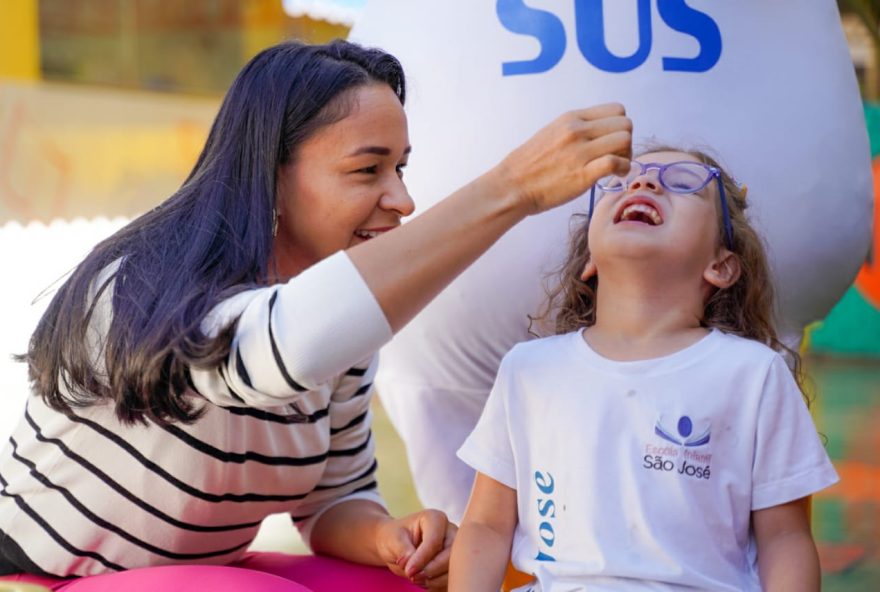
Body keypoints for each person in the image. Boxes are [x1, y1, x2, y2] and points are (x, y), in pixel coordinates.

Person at [0, 39, 633, 592]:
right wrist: (510, 189)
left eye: (401, 167)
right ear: (270, 177)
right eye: (368, 170)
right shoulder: (138, 285)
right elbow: (278, 348)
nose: (403, 199)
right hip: (44, 577)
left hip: (212, 570)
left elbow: (332, 500)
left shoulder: (340, 329)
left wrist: (390, 536)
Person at [449, 146, 839, 591]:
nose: (644, 182)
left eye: (684, 181)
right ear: (589, 260)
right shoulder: (529, 369)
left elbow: (785, 538)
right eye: (620, 181)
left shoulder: (754, 374)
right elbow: (485, 526)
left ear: (722, 265)